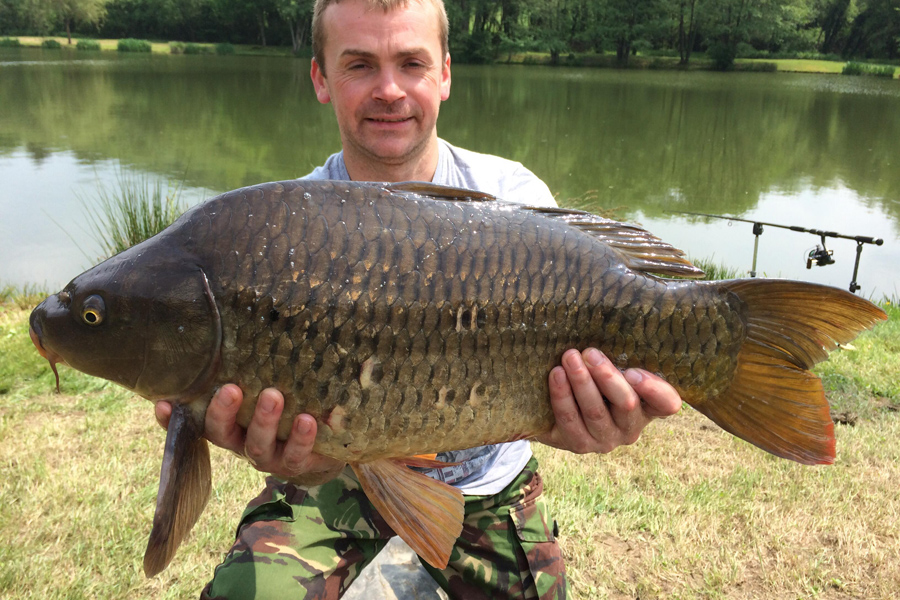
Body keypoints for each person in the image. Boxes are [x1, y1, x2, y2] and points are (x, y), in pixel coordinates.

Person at [156, 0, 683, 597]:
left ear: (445, 75)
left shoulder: (513, 199)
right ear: (321, 79)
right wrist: (303, 457)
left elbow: (564, 398)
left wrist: (590, 423)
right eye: (359, 65)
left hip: (487, 488)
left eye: (411, 62)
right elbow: (304, 444)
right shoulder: (285, 229)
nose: (389, 90)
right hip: (332, 486)